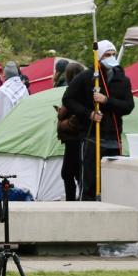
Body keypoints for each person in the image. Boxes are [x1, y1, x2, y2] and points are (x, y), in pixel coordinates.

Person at [61, 40, 134, 200]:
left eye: (113, 54)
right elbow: (68, 99)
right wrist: (89, 114)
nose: (111, 57)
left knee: (113, 183)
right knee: (89, 183)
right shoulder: (86, 77)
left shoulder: (123, 80)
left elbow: (128, 106)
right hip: (91, 138)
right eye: (107, 55)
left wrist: (106, 101)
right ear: (99, 57)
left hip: (114, 139)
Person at [55, 62, 86, 201]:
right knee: (75, 173)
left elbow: (77, 119)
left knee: (69, 173)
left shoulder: (76, 92)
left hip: (74, 139)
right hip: (75, 140)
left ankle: (73, 202)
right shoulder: (81, 90)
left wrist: (62, 125)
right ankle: (77, 200)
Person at [0, 61, 28, 128]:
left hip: (8, 128)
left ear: (5, 75)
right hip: (23, 126)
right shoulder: (23, 88)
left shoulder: (2, 91)